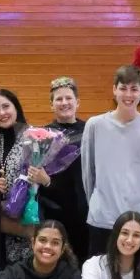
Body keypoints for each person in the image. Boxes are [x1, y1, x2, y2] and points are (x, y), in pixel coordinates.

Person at [82, 65, 140, 259]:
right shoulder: (95, 125)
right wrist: (97, 204)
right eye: (123, 88)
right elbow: (88, 174)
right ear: (114, 90)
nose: (128, 94)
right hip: (103, 218)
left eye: (134, 89)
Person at [37, 77, 90, 264]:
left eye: (68, 98)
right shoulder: (43, 135)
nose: (64, 103)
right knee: (55, 261)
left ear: (77, 102)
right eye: (59, 99)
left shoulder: (90, 131)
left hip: (85, 209)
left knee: (85, 261)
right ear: (51, 105)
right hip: (54, 208)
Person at [0, 90, 34, 264]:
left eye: (6, 106)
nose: (2, 113)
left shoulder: (33, 137)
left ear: (16, 107)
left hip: (23, 222)